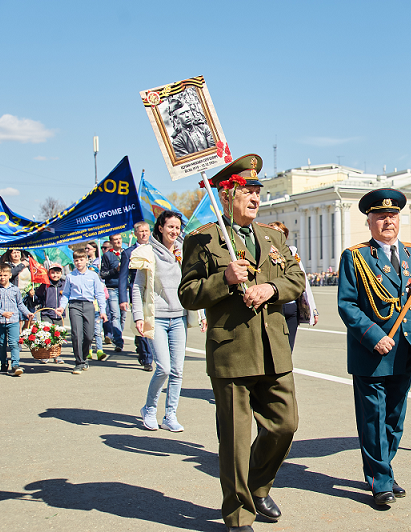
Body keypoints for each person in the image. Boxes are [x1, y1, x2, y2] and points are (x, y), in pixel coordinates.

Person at [178, 154, 304, 532]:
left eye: (257, 191)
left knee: (285, 424)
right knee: (234, 442)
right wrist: (225, 280)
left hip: (273, 350)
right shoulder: (203, 239)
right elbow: (188, 294)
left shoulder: (274, 236)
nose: (255, 197)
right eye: (247, 191)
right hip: (232, 351)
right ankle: (237, 517)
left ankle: (258, 486)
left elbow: (297, 279)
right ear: (227, 195)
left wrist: (270, 288)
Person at [337, 188, 411, 506]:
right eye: (381, 216)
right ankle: (380, 480)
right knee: (373, 418)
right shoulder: (355, 257)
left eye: (392, 216)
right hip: (373, 351)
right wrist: (373, 336)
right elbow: (347, 305)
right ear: (369, 221)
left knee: (395, 418)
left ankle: (384, 469)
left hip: (405, 350)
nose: (388, 221)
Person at [134, 211, 206, 432]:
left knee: (177, 370)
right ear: (160, 228)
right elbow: (137, 286)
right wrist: (138, 315)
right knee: (163, 368)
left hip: (180, 317)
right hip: (157, 318)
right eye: (170, 227)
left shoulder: (184, 252)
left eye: (177, 228)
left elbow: (194, 284)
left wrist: (201, 313)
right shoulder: (147, 252)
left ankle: (170, 415)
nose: (174, 231)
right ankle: (149, 408)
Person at [268, 221, 318, 352]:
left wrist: (313, 308)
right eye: (274, 231)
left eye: (281, 233)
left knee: (288, 348)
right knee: (272, 347)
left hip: (292, 307)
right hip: (273, 306)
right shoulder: (264, 252)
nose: (278, 235)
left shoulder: (292, 253)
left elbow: (303, 281)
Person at [56, 249, 107, 375]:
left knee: (89, 335)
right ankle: (79, 362)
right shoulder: (70, 276)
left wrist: (103, 310)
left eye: (81, 260)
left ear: (86, 260)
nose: (79, 263)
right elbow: (66, 293)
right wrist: (62, 306)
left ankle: (84, 357)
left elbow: (99, 294)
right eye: (76, 260)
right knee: (76, 334)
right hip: (75, 305)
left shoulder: (93, 276)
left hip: (89, 305)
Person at [119, 221, 155, 371]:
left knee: (151, 322)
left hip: (152, 293)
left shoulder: (155, 249)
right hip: (138, 292)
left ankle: (145, 349)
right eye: (141, 231)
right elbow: (123, 277)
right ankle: (147, 357)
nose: (144, 234)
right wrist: (123, 299)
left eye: (146, 231)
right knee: (141, 323)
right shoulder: (128, 253)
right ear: (135, 234)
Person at [0, 263, 34, 376]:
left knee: (14, 343)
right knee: (1, 343)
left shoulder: (15, 290)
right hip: (0, 321)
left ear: (10, 275)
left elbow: (20, 304)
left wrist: (28, 313)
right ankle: (4, 363)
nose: (2, 277)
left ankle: (15, 364)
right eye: (0, 275)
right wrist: (2, 313)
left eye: (5, 275)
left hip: (13, 321)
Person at [100, 233, 125, 353]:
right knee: (116, 315)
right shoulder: (107, 256)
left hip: (124, 289)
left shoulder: (125, 253)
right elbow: (103, 274)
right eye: (115, 240)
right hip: (113, 288)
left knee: (123, 316)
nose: (118, 241)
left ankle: (118, 335)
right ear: (111, 242)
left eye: (120, 239)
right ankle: (119, 341)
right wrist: (116, 270)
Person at [36, 266, 66, 364]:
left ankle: (57, 355)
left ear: (61, 273)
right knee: (46, 335)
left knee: (58, 336)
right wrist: (33, 294)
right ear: (49, 273)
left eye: (57, 273)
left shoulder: (64, 285)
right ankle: (45, 354)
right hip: (46, 313)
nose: (55, 275)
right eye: (53, 273)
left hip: (59, 314)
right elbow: (38, 296)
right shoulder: (45, 284)